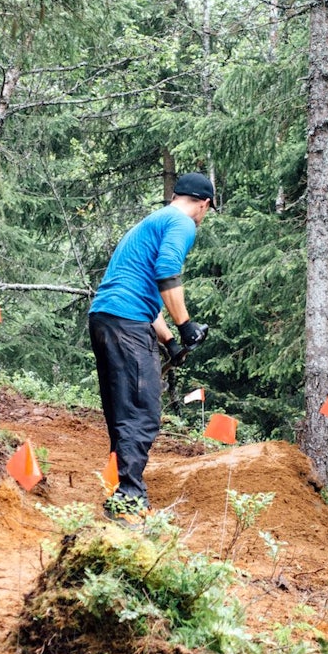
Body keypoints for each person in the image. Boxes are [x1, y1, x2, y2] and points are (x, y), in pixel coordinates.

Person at [89, 172, 215, 524]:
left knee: (122, 411)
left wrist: (171, 342)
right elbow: (167, 272)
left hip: (106, 318)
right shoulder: (182, 222)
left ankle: (119, 489)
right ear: (204, 204)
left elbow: (148, 297)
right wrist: (186, 325)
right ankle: (128, 501)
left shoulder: (152, 222)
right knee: (141, 413)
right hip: (127, 322)